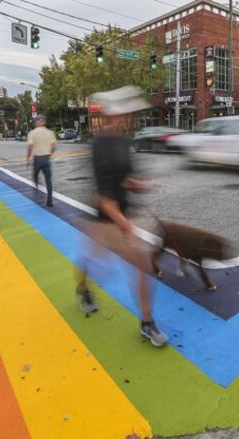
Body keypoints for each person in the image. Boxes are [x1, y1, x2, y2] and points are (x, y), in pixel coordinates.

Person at [75, 86, 168, 347]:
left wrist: (140, 185)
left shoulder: (125, 141)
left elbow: (126, 178)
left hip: (125, 214)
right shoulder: (99, 145)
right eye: (125, 112)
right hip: (105, 219)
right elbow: (103, 197)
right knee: (92, 260)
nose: (130, 116)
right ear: (110, 115)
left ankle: (147, 322)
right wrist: (125, 225)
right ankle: (82, 288)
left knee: (143, 265)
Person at [26, 116, 56, 207]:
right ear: (44, 122)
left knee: (35, 175)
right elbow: (54, 147)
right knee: (48, 180)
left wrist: (27, 159)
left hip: (37, 159)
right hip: (46, 159)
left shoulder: (32, 133)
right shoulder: (50, 132)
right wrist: (49, 154)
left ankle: (36, 187)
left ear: (36, 123)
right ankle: (49, 201)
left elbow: (30, 147)